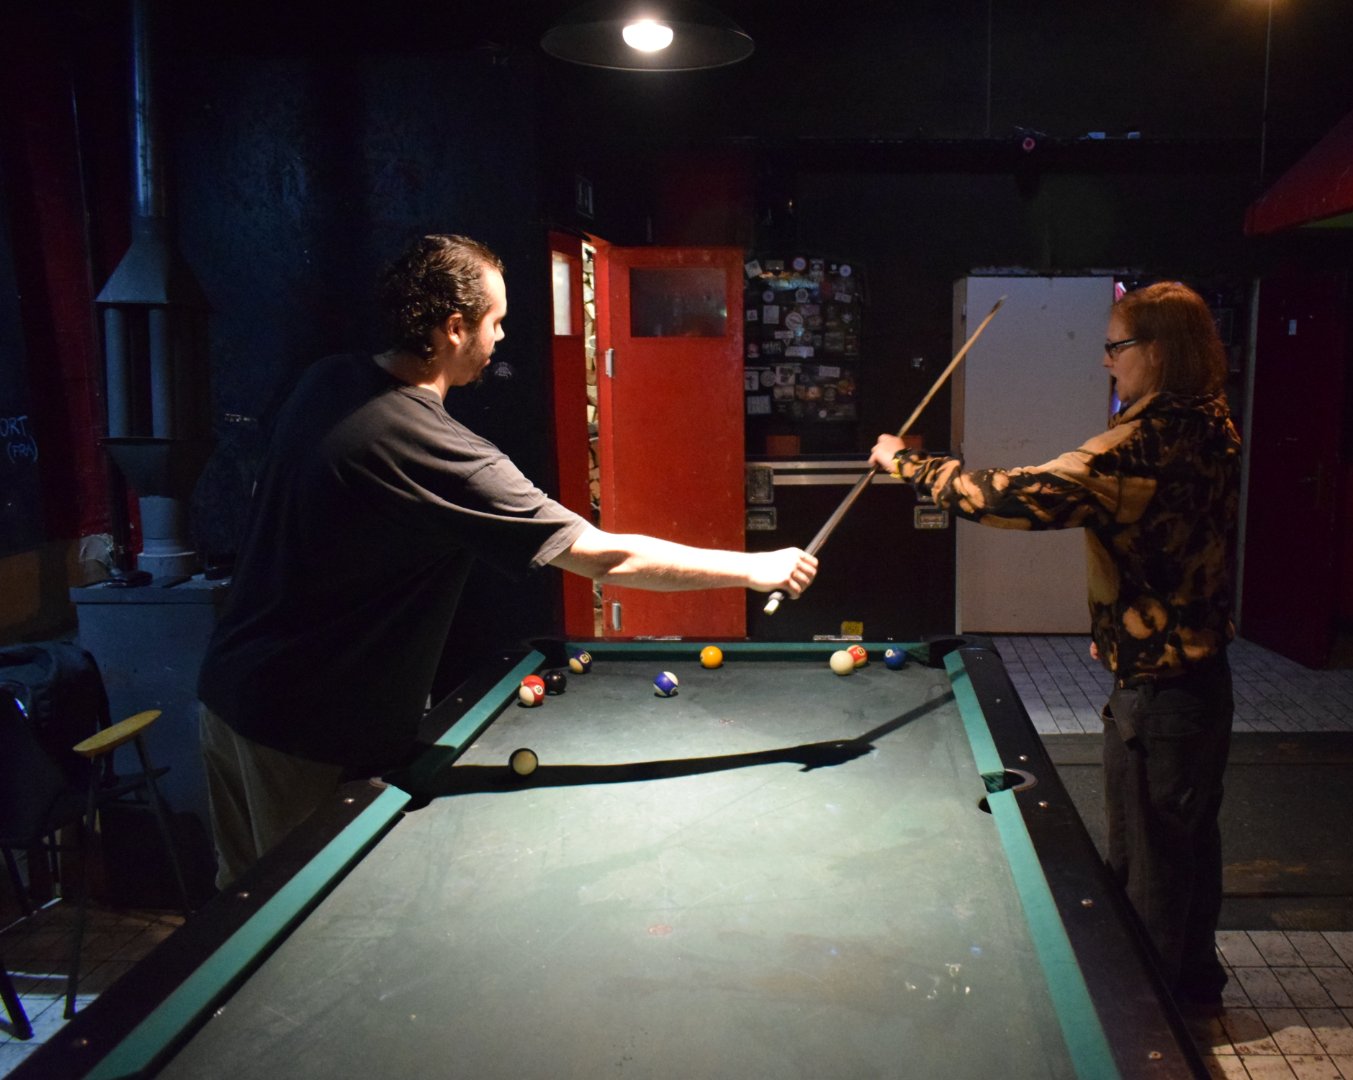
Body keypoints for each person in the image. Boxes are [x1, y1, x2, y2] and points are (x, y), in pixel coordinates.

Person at [198, 234, 817, 888]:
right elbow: (604, 558)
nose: (500, 337)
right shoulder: (432, 447)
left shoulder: (327, 379)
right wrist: (755, 568)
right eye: (494, 321)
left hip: (227, 696)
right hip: (300, 737)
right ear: (454, 328)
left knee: (238, 911)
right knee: (305, 925)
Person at [869, 281, 1240, 1009]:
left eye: (1115, 346)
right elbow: (1158, 540)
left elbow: (1013, 497)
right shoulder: (1212, 422)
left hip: (1162, 692)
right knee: (1188, 843)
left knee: (1151, 861)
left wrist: (906, 463)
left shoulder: (1141, 447)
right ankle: (1195, 987)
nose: (1106, 361)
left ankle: (1151, 1023)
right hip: (1201, 675)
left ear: (1158, 351)